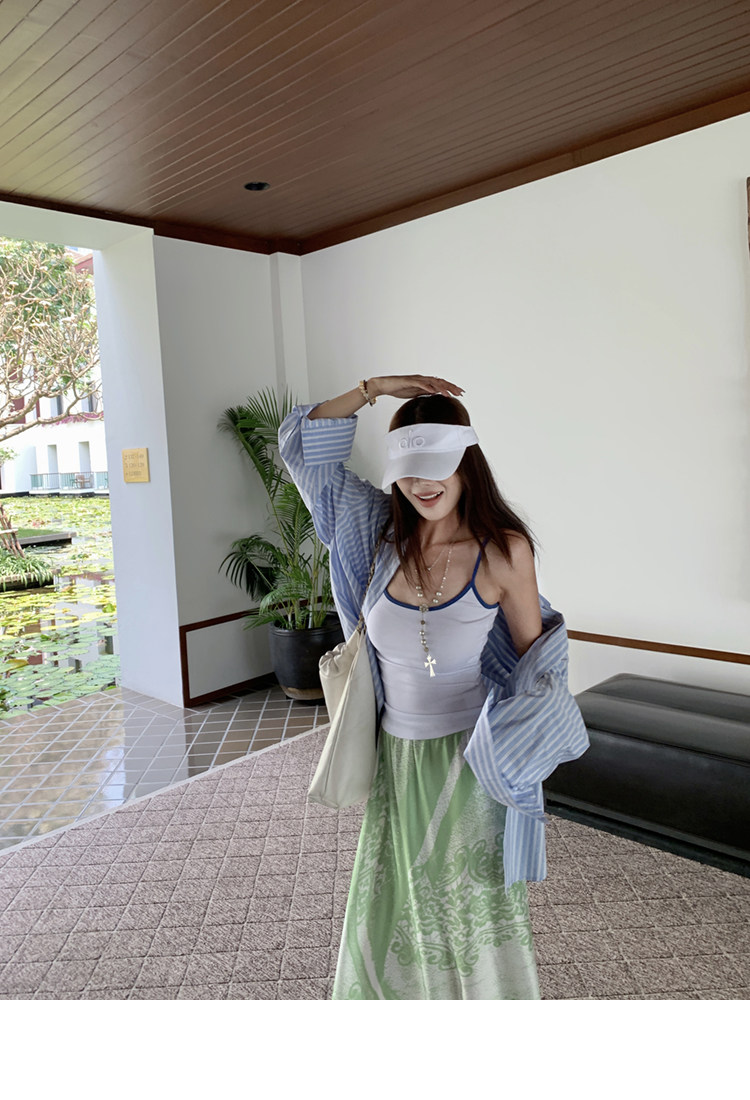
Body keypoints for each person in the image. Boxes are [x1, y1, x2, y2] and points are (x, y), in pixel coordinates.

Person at [278, 374, 588, 1000]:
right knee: (394, 897)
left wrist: (516, 756)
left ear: (467, 462)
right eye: (408, 468)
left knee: (464, 906)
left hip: (468, 759)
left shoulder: (503, 551)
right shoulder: (374, 531)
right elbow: (303, 448)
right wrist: (374, 388)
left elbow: (535, 664)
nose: (423, 484)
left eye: (437, 465)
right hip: (395, 756)